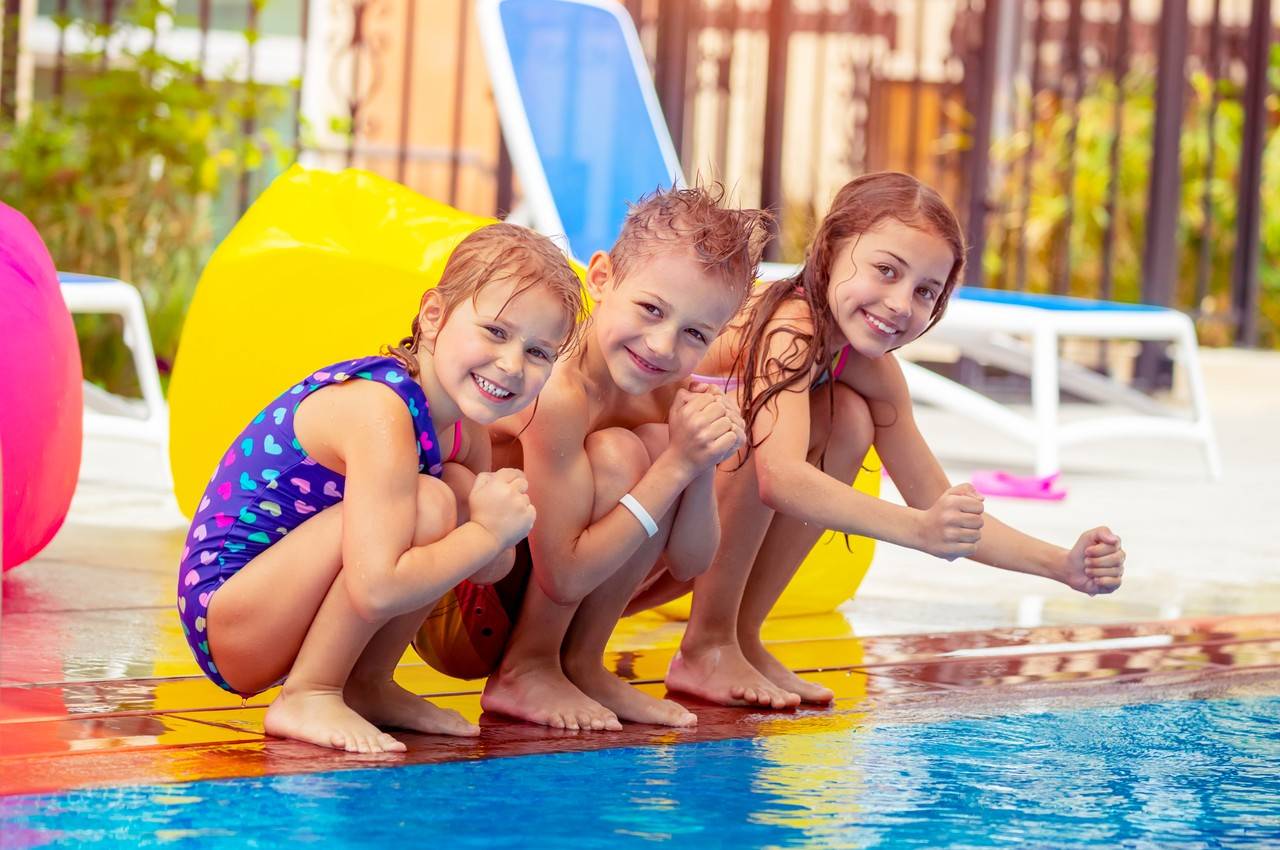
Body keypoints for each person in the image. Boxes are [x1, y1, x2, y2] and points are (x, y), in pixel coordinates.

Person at [634, 172, 1127, 708]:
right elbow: (779, 479)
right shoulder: (790, 327)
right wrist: (918, 532)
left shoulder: (868, 369)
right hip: (632, 510)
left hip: (681, 515)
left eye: (924, 292)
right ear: (830, 249)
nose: (899, 303)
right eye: (885, 271)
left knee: (849, 419)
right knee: (763, 429)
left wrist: (1060, 564)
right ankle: (707, 644)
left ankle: (741, 637)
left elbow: (938, 504)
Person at [176, 223, 584, 753]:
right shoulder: (381, 410)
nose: (511, 364)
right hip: (229, 617)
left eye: (538, 352)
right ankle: (309, 692)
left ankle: (365, 684)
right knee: (431, 501)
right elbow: (376, 587)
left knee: (448, 493)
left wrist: (495, 526)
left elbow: (486, 569)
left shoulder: (465, 429)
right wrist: (486, 531)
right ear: (434, 316)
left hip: (281, 607)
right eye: (496, 332)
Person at [421, 187, 768, 731]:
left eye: (694, 333)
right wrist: (675, 465)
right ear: (602, 278)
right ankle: (529, 667)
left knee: (654, 447)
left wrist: (696, 463)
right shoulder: (557, 387)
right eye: (651, 309)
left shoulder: (670, 394)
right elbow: (561, 574)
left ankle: (580, 661)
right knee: (622, 454)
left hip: (532, 583)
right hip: (462, 597)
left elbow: (691, 565)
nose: (660, 345)